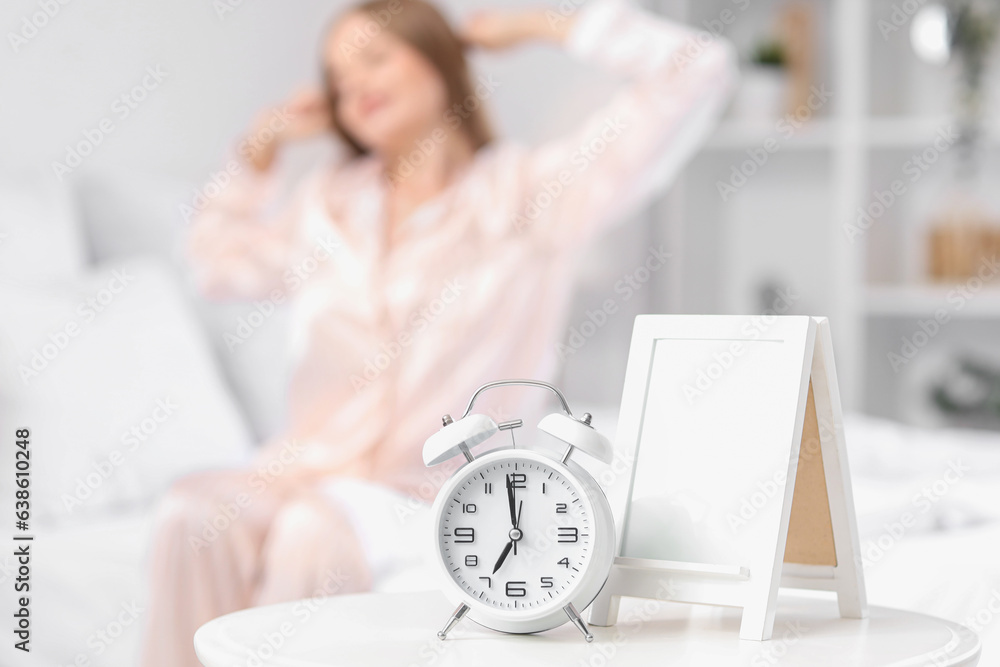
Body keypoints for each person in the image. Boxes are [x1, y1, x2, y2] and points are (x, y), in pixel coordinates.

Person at [140, 1, 736, 665]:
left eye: (373, 58)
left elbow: (695, 69)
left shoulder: (529, 196)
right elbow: (214, 268)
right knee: (190, 513)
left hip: (426, 490)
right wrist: (259, 150)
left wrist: (544, 23)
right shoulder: (326, 204)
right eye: (337, 77)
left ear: (439, 61)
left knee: (311, 534)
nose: (353, 87)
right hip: (303, 467)